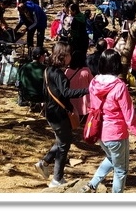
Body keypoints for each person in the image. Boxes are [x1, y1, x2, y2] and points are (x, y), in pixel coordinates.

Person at [81, 49, 136, 193]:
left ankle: (92, 184)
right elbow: (129, 115)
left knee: (111, 158)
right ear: (117, 65)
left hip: (99, 131)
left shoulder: (94, 82)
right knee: (121, 170)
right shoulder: (119, 86)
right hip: (116, 134)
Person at [35, 42, 89, 188]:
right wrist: (87, 90)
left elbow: (46, 92)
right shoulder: (58, 73)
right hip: (59, 114)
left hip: (51, 112)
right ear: (63, 56)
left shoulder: (48, 70)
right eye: (69, 54)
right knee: (64, 144)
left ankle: (44, 162)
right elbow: (66, 93)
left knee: (61, 141)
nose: (71, 57)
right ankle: (57, 178)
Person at [16, 46, 48, 111]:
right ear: (41, 57)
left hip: (26, 96)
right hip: (40, 97)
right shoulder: (45, 69)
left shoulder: (24, 67)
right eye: (44, 56)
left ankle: (30, 103)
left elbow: (17, 83)